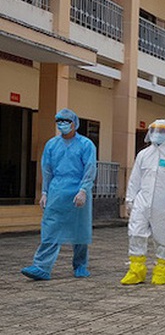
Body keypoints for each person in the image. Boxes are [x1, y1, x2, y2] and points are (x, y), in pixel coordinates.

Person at [21, 108, 97, 280]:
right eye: (59, 121)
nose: (62, 124)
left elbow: (90, 168)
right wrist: (45, 192)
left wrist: (84, 190)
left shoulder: (86, 144)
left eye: (66, 121)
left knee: (79, 229)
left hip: (78, 188)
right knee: (50, 227)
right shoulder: (51, 145)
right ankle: (41, 267)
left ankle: (80, 265)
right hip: (57, 190)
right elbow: (47, 170)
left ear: (74, 124)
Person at [120, 119, 165, 285]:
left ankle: (162, 270)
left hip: (163, 205)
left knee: (162, 237)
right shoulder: (143, 155)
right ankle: (136, 271)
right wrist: (130, 199)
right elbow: (134, 179)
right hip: (141, 202)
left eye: (162, 131)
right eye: (155, 130)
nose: (158, 134)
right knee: (135, 234)